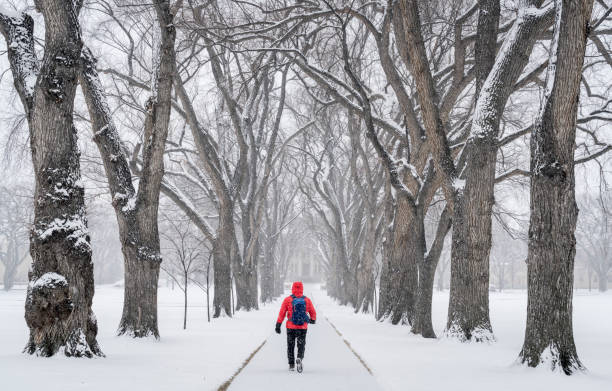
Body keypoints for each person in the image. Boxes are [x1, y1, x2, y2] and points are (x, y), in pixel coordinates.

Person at [275, 281, 316, 372]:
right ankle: (299, 357)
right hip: (302, 327)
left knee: (290, 345)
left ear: (292, 288)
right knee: (301, 344)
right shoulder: (306, 300)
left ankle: (291, 364)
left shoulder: (288, 300)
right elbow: (313, 312)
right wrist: (313, 319)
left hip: (290, 327)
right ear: (302, 289)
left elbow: (282, 313)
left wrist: (278, 324)